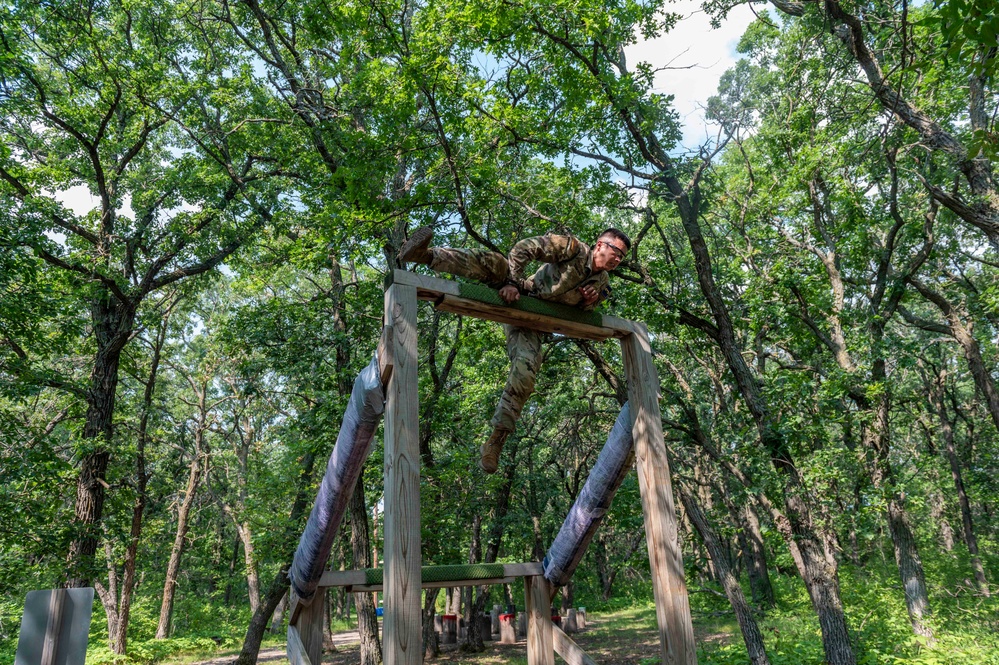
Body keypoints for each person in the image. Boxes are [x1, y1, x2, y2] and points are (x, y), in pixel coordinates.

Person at [397, 226, 632, 473]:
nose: (618, 259)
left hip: (534, 322)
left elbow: (578, 317)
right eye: (617, 251)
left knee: (527, 368)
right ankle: (424, 255)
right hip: (523, 293)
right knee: (495, 263)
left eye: (623, 257)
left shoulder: (602, 284)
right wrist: (511, 282)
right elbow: (524, 247)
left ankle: (496, 441)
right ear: (600, 245)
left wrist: (589, 301)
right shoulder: (572, 248)